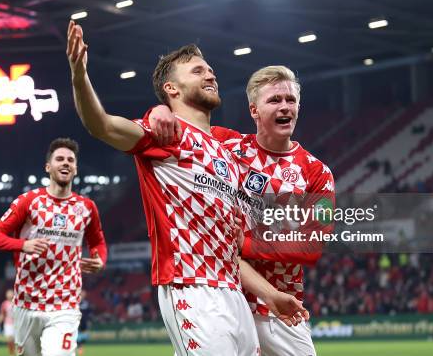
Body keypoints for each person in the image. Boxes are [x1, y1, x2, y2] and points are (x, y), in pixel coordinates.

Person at [66, 21, 306, 356]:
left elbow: (228, 251)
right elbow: (102, 125)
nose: (210, 75)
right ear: (172, 89)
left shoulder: (225, 154)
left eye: (210, 70)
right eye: (197, 71)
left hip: (234, 294)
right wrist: (80, 75)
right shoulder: (166, 135)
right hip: (190, 288)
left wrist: (269, 294)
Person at [149, 65, 335, 356]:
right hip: (224, 300)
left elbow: (313, 245)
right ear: (254, 110)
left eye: (290, 100)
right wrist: (157, 112)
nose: (285, 106)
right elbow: (182, 122)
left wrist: (247, 243)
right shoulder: (227, 144)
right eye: (274, 100)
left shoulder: (317, 173)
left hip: (280, 308)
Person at [0, 137, 107, 356]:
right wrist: (23, 245)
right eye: (60, 159)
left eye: (70, 160)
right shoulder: (28, 202)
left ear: (76, 168)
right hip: (26, 303)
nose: (66, 163)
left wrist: (99, 260)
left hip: (65, 304)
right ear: (48, 167)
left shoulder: (86, 207)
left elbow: (97, 241)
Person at [0, 289, 16, 355]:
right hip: (8, 323)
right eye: (8, 293)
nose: (9, 295)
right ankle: (12, 353)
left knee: (15, 340)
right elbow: (2, 314)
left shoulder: (16, 302)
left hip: (17, 323)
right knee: (9, 339)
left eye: (11, 293)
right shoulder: (4, 304)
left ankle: (16, 351)